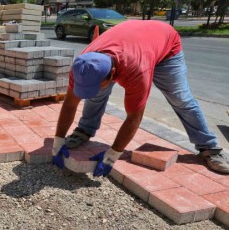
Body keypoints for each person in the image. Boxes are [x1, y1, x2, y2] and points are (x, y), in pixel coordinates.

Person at [52, 20, 229, 176]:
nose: (94, 89)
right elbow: (69, 104)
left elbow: (134, 117)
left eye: (99, 83)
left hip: (166, 47)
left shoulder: (137, 71)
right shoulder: (82, 65)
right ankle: (85, 130)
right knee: (96, 96)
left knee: (180, 98)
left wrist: (112, 155)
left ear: (113, 73)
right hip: (132, 40)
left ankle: (209, 147)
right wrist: (57, 142)